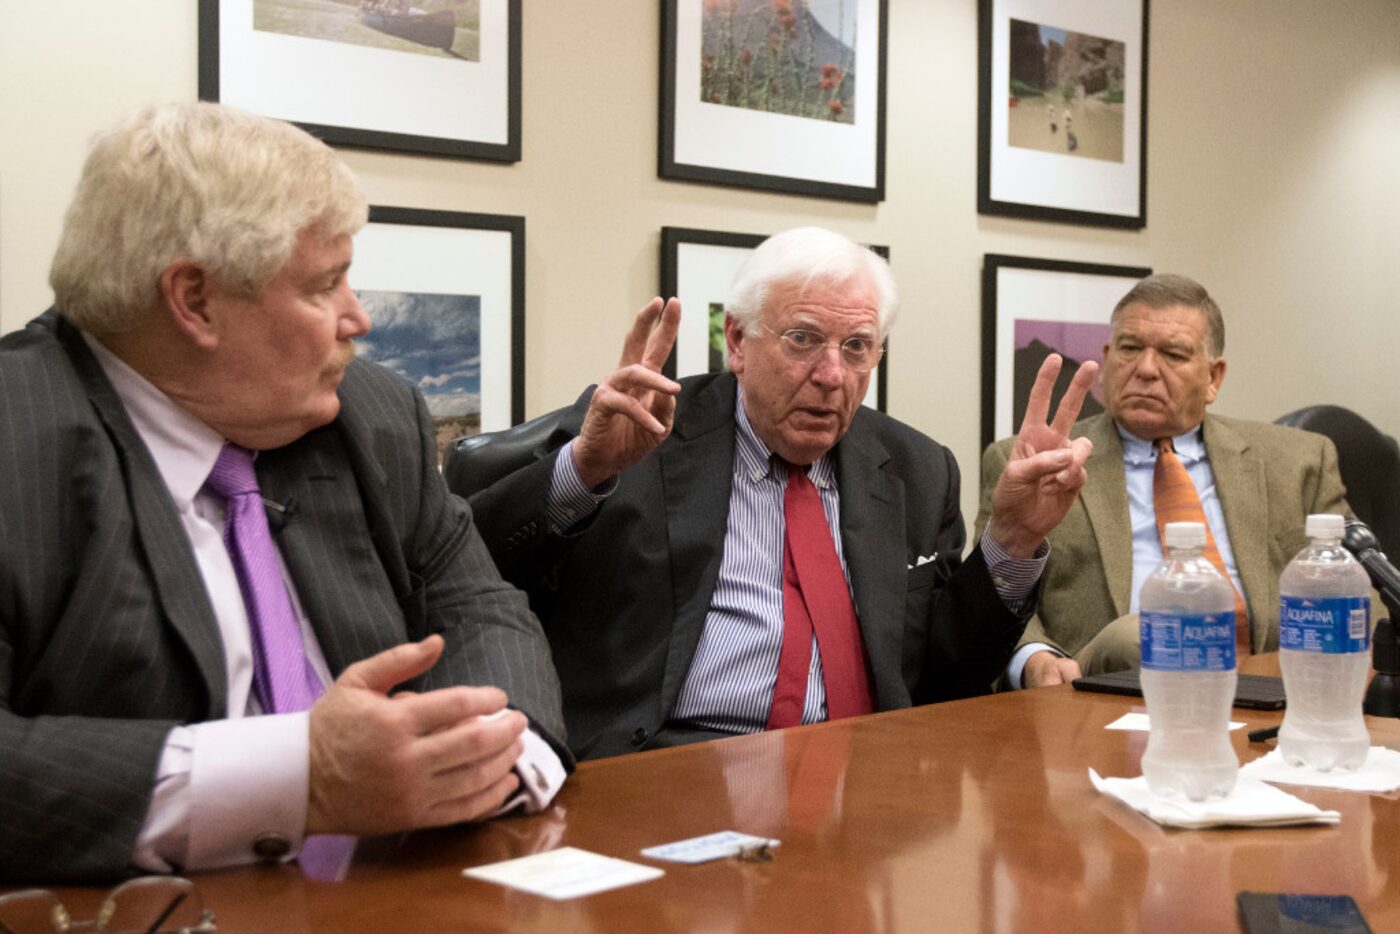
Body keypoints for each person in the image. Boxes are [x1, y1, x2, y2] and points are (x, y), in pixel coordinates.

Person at [0, 103, 569, 884]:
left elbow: (478, 602)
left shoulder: (370, 412)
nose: (358, 317)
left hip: (403, 891)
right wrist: (293, 779)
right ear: (194, 299)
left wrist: (495, 755)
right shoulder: (17, 434)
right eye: (325, 284)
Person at [465, 227, 1097, 760]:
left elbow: (945, 676)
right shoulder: (640, 431)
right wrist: (585, 471)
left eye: (856, 348)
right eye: (802, 339)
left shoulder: (915, 467)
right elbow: (471, 574)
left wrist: (1013, 539)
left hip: (869, 775)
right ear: (738, 342)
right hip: (672, 763)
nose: (830, 376)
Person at [977, 273, 1355, 687]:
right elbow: (989, 596)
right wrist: (1035, 660)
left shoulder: (1298, 461)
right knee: (1130, 635)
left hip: (1274, 692)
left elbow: (1359, 596)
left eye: (1172, 354)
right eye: (1129, 348)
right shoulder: (1037, 463)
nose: (1146, 369)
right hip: (1103, 698)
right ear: (1106, 358)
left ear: (1213, 377)